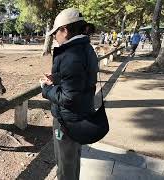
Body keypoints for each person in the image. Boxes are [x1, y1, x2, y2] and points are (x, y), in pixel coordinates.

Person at [40, 8, 98, 180]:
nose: (54, 37)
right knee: (73, 160)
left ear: (64, 30)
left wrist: (46, 88)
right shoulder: (85, 48)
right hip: (82, 114)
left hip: (67, 121)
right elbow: (81, 76)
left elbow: (69, 97)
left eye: (55, 32)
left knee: (65, 166)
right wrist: (57, 78)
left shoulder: (70, 54)